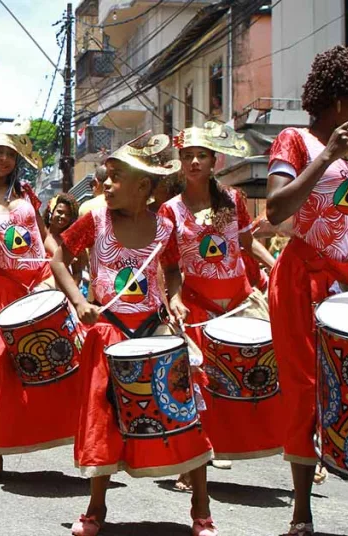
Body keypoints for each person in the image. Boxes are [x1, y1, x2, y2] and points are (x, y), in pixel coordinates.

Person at [51, 133, 217, 536]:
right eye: (106, 177)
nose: (106, 185)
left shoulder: (165, 226)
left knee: (184, 413)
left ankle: (201, 508)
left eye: (116, 178)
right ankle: (95, 508)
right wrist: (78, 301)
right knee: (102, 420)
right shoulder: (94, 220)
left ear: (143, 186)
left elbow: (174, 271)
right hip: (108, 334)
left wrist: (175, 298)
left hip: (155, 332)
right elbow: (59, 258)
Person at [265, 45, 348, 536]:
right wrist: (329, 153)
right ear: (336, 101)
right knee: (307, 390)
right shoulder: (294, 141)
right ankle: (302, 511)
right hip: (301, 280)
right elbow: (276, 210)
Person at [0, 119, 75, 485]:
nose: (3, 159)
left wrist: (59, 272)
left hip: (41, 287)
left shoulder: (27, 198)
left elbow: (45, 239)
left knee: (71, 361)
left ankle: (91, 447)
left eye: (10, 153)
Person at [162, 122, 280, 487]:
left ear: (215, 160)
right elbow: (170, 266)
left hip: (242, 302)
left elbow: (245, 243)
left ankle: (298, 445)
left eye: (201, 155)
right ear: (180, 163)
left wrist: (275, 267)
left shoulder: (233, 200)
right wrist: (176, 297)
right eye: (187, 156)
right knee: (199, 388)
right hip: (197, 307)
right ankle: (193, 461)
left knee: (269, 378)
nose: (194, 162)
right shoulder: (170, 211)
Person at [44, 192, 86, 286]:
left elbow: (77, 273)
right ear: (51, 211)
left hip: (62, 294)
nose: (63, 217)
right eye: (60, 212)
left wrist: (70, 294)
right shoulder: (41, 235)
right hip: (40, 290)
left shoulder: (73, 242)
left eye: (68, 214)